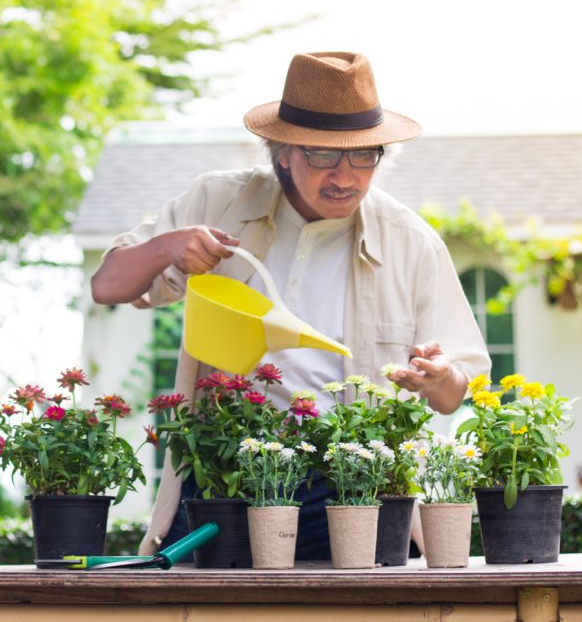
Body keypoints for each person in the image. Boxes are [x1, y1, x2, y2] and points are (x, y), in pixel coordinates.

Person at [91, 51, 491, 558]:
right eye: (323, 156)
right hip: (224, 478)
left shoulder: (411, 242)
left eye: (364, 155)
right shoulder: (220, 202)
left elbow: (455, 392)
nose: (346, 176)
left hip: (350, 488)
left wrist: (439, 377)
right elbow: (107, 286)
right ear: (281, 152)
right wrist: (166, 247)